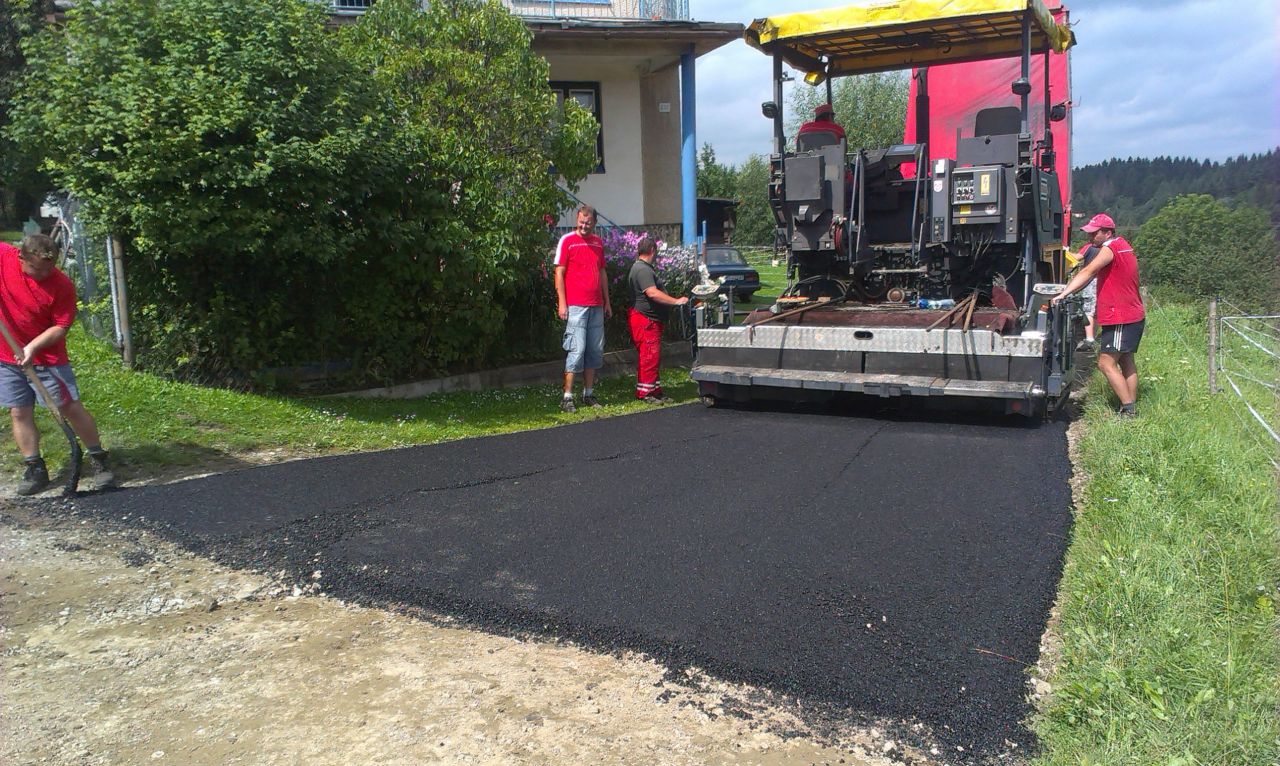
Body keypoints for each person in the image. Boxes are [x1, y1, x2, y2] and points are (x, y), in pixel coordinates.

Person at [0, 233, 114, 494]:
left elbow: (61, 327)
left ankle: (99, 460)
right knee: (19, 412)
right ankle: (35, 467)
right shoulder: (4, 257)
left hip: (47, 359)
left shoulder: (61, 285)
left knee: (69, 407)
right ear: (21, 258)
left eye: (49, 268)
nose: (44, 274)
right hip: (6, 356)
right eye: (37, 269)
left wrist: (31, 348)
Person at [1052, 213, 1145, 417]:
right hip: (1131, 313)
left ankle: (1128, 410)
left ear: (1107, 232)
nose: (1090, 237)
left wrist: (1063, 294)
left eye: (1094, 233)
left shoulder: (1110, 248)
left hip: (1120, 315)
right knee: (1126, 361)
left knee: (1105, 363)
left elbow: (1088, 272)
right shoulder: (1123, 245)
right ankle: (1130, 406)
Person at [554, 205, 611, 413]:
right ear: (577, 220)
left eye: (588, 223)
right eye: (581, 222)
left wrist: (607, 301)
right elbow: (559, 273)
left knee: (594, 350)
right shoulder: (567, 241)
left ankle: (588, 393)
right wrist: (562, 302)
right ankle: (567, 397)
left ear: (594, 223)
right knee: (576, 349)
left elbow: (602, 272)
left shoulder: (597, 243)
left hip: (596, 305)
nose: (584, 226)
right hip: (576, 306)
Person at [627, 237, 688, 404]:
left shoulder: (639, 267)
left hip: (646, 319)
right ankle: (646, 393)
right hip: (646, 320)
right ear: (653, 250)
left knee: (651, 356)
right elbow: (652, 293)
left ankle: (654, 390)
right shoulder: (643, 270)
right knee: (649, 355)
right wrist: (676, 301)